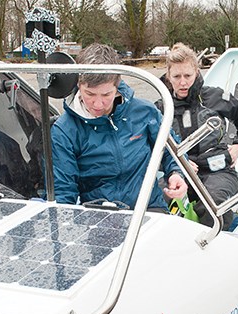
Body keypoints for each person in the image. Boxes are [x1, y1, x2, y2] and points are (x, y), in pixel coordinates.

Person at [51, 43, 187, 210]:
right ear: (79, 84)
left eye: (106, 94)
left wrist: (176, 174)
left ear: (117, 86)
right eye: (90, 94)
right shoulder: (64, 130)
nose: (98, 103)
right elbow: (63, 190)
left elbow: (172, 150)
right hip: (98, 213)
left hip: (148, 208)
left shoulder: (145, 112)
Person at [156, 42, 238, 229]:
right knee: (156, 205)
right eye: (177, 76)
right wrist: (174, 164)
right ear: (168, 76)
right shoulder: (160, 108)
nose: (183, 82)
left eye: (187, 75)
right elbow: (150, 148)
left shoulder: (215, 97)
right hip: (178, 173)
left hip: (218, 170)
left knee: (213, 208)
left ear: (196, 71)